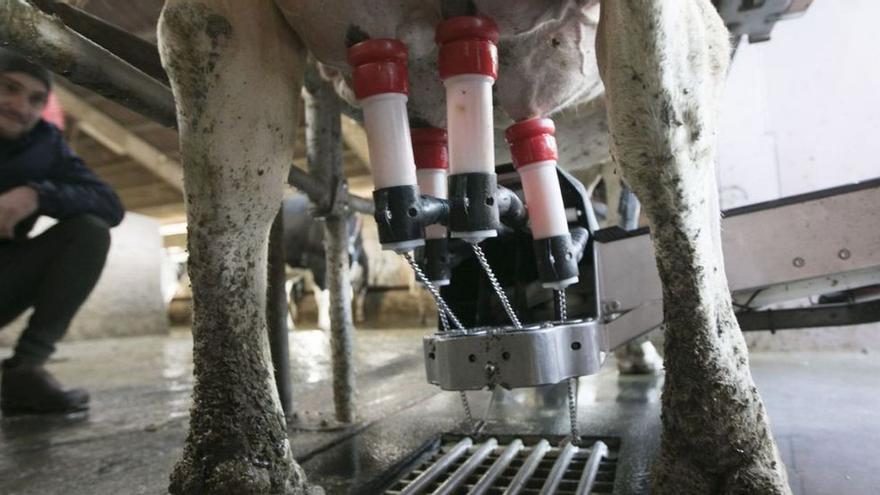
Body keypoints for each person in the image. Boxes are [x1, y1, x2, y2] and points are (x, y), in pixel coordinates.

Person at [0, 49, 124, 415]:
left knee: (89, 231)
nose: (22, 107)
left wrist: (36, 195)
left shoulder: (45, 143)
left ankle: (25, 370)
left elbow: (109, 204)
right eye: (9, 88)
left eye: (36, 99)